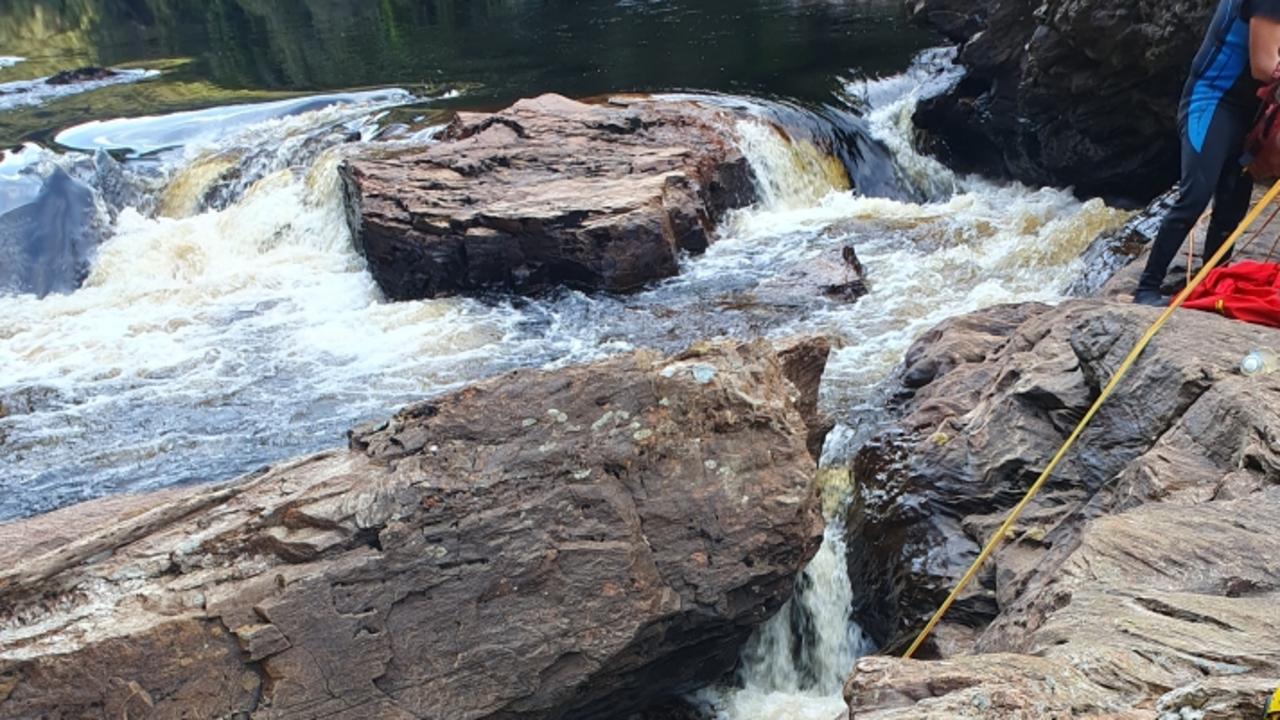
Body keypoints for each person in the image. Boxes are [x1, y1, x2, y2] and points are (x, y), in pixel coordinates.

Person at [1135, 0, 1280, 306]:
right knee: (1196, 195)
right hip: (1213, 101)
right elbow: (1263, 66)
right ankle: (1147, 288)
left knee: (1233, 202)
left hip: (1251, 111)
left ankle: (1212, 282)